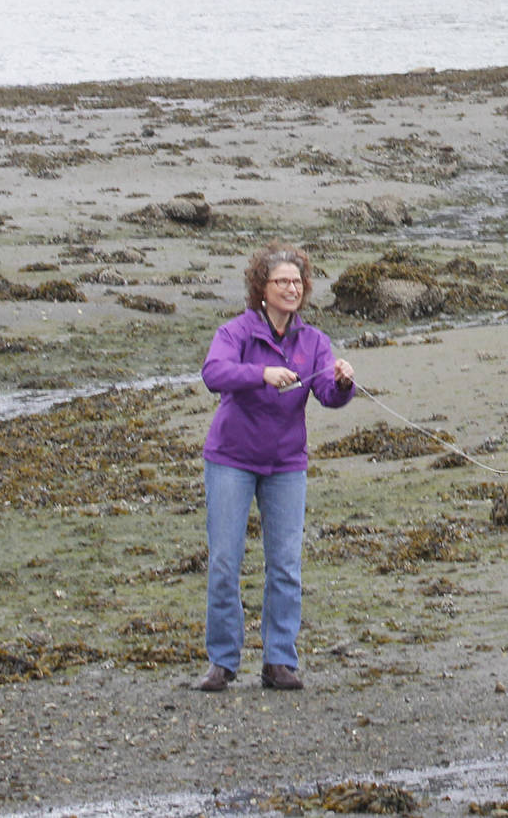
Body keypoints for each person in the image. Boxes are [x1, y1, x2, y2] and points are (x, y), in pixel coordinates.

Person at [194, 243, 355, 692]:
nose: (291, 288)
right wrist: (260, 374)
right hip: (231, 459)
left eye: (297, 282)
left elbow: (327, 393)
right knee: (225, 561)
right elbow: (213, 373)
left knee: (285, 565)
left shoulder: (314, 342)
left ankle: (279, 660)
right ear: (261, 289)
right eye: (281, 281)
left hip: (286, 464)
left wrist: (343, 382)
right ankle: (222, 662)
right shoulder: (237, 332)